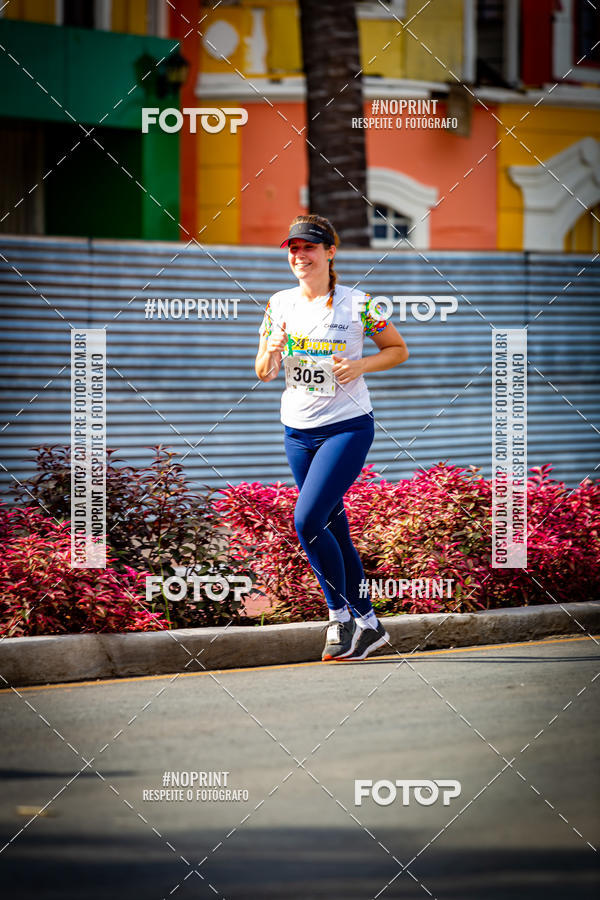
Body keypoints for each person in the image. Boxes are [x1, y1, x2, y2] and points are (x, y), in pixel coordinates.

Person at [255, 214, 409, 661]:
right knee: (330, 526)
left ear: (329, 252)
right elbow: (263, 372)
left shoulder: (361, 304)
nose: (299, 255)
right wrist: (272, 349)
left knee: (306, 521)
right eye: (293, 248)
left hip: (347, 426)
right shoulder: (278, 304)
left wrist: (360, 365)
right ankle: (368, 624)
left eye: (308, 247)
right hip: (297, 431)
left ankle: (339, 616)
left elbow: (399, 350)